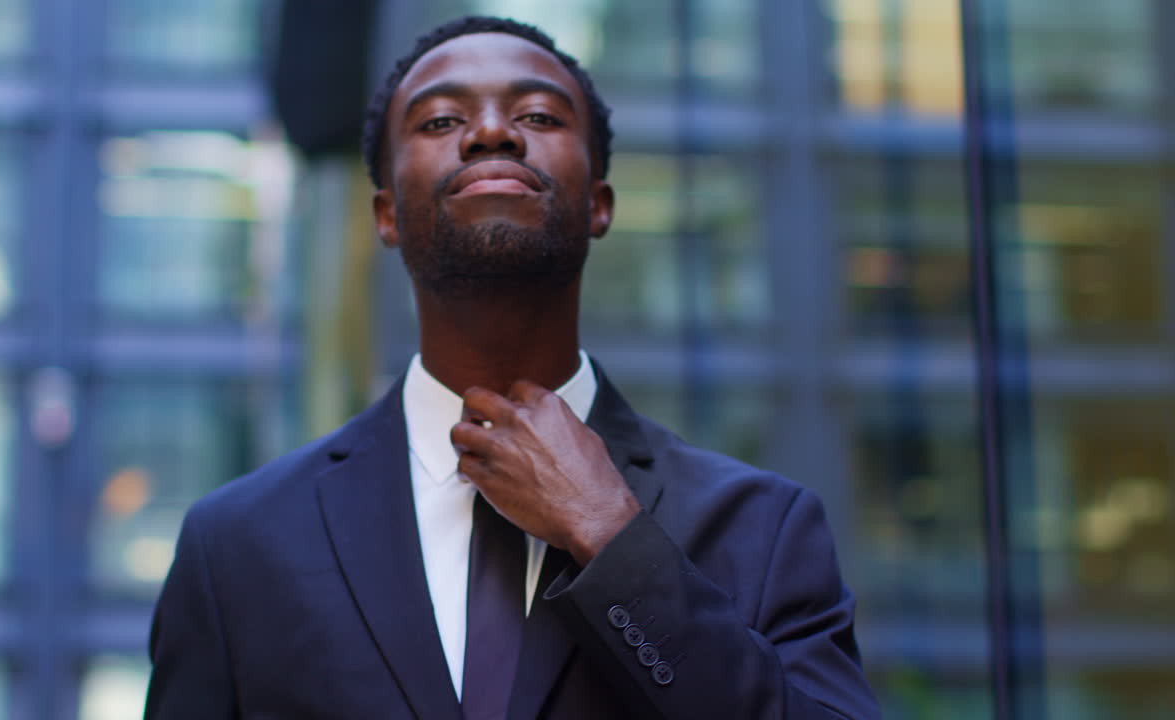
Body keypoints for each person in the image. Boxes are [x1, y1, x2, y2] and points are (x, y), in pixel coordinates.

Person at [145, 15, 880, 720]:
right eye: (439, 122)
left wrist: (613, 538)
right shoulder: (238, 546)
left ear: (599, 203)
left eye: (538, 117)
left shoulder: (764, 527)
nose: (492, 132)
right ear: (387, 215)